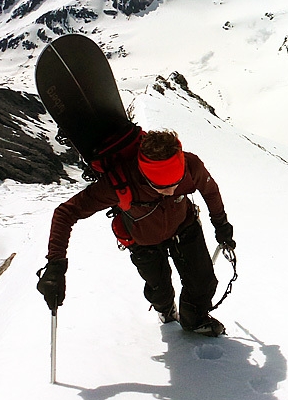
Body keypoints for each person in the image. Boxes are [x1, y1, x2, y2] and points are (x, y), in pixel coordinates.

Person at [36, 129, 235, 337]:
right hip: (144, 240)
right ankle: (165, 310)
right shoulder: (119, 182)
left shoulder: (190, 165)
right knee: (159, 290)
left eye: (176, 183)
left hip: (183, 226)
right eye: (161, 186)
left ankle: (194, 320)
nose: (171, 191)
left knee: (203, 282)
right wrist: (55, 264)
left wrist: (221, 224)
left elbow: (210, 191)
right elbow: (66, 212)